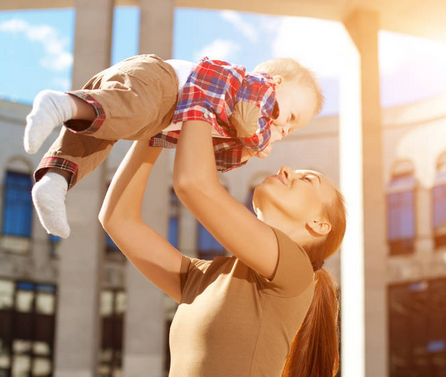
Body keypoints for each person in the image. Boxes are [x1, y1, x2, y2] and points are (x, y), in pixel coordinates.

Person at [99, 119, 347, 376]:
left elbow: (192, 183)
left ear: (319, 224)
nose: (286, 170)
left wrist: (194, 106)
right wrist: (155, 127)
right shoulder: (205, 277)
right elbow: (118, 219)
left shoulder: (296, 271)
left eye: (307, 179)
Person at [23, 54, 322, 239]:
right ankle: (62, 103)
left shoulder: (236, 123)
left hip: (159, 116)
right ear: (277, 82)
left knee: (97, 141)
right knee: (130, 110)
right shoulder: (259, 87)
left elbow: (211, 159)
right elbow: (251, 115)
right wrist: (256, 139)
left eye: (291, 130)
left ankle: (55, 181)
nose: (284, 128)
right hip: (165, 84)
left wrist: (245, 151)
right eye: (291, 117)